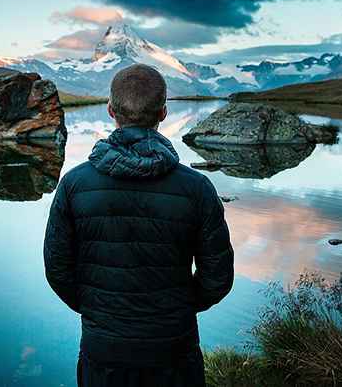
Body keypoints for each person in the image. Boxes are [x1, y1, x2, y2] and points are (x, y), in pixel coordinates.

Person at [43, 64, 234, 387]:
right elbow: (218, 277)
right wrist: (180, 308)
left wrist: (97, 310)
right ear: (163, 112)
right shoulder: (197, 188)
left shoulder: (74, 185)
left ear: (110, 111)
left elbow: (57, 270)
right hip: (174, 348)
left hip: (103, 350)